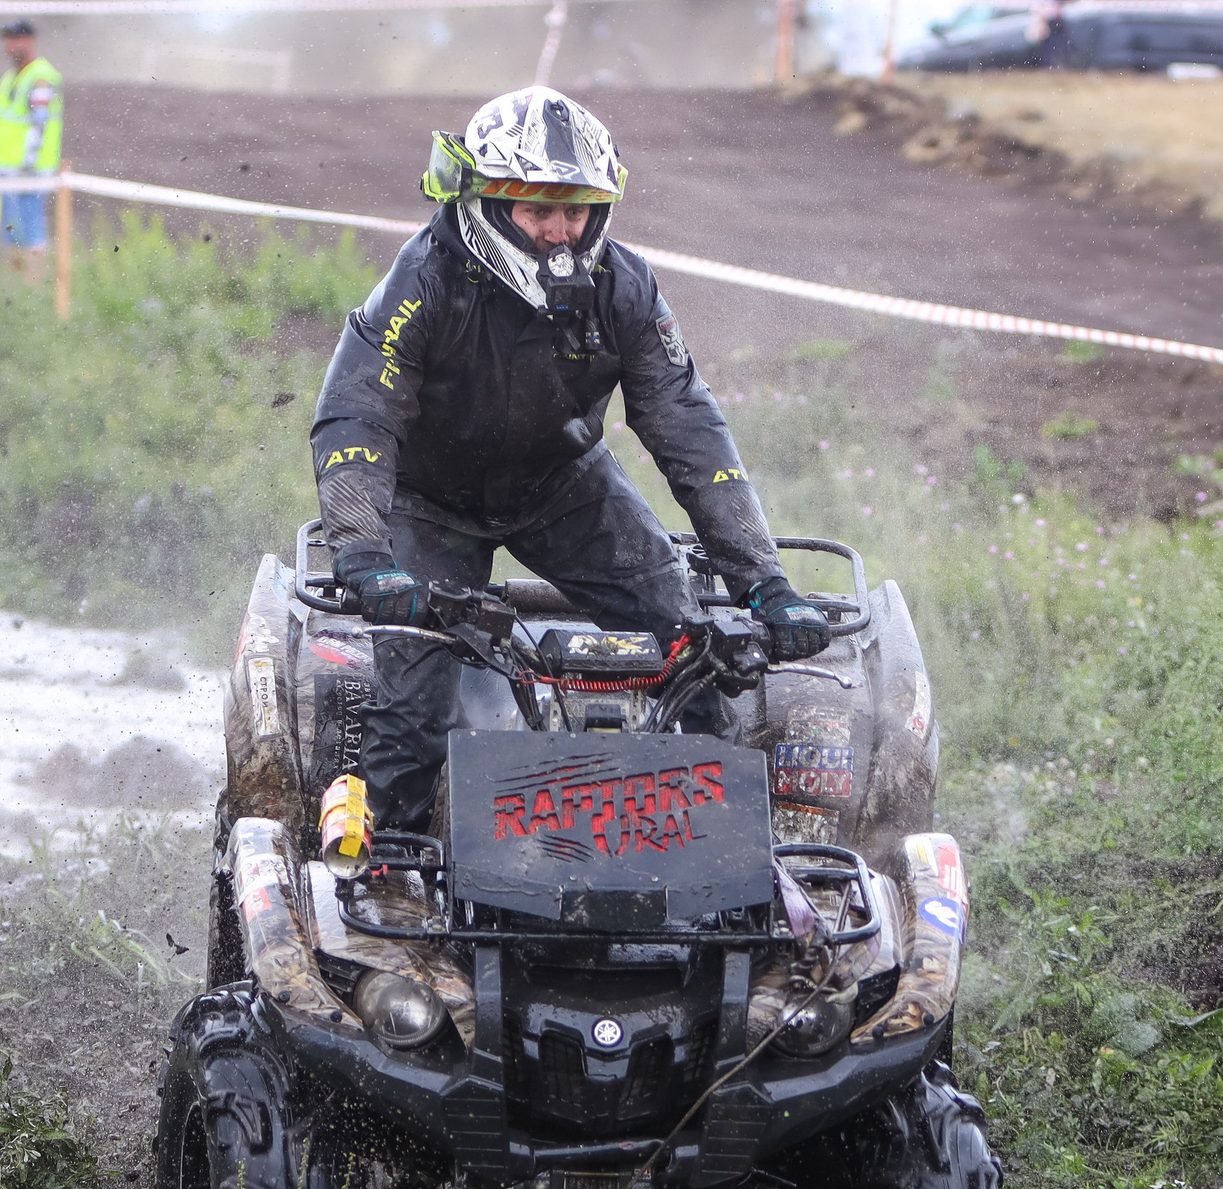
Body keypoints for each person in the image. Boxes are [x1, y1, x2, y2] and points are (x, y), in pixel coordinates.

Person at [309, 86, 832, 831]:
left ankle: (726, 853)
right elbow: (357, 414)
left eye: (576, 209)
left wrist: (766, 582)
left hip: (566, 487)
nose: (560, 231)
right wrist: (362, 551)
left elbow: (689, 427)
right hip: (428, 505)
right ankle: (391, 868)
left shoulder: (625, 286)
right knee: (414, 701)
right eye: (537, 209)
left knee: (695, 651)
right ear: (488, 204)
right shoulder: (422, 279)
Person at [0, 20, 63, 282]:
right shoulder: (11, 76)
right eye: (8, 39)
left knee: (30, 227)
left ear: (31, 41)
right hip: (7, 169)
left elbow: (39, 124)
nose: (12, 44)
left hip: (28, 170)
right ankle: (15, 289)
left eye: (18, 38)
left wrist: (28, 163)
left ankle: (34, 288)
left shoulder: (40, 77)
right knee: (10, 229)